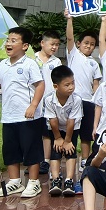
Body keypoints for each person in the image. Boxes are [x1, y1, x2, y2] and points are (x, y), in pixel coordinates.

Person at [0, 27, 45, 199]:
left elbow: (40, 85)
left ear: (25, 46)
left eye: (13, 40)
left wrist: (33, 105)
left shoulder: (29, 64)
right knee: (11, 149)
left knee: (31, 149)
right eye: (8, 40)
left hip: (29, 116)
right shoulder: (3, 64)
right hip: (9, 116)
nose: (8, 44)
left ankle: (34, 182)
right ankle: (14, 181)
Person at [65, 12, 102, 167]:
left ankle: (85, 160)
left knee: (86, 135)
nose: (88, 46)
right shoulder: (73, 55)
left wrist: (97, 99)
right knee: (70, 131)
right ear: (79, 43)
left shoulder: (94, 63)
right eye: (86, 43)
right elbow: (69, 38)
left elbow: (96, 84)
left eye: (92, 44)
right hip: (72, 100)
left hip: (88, 101)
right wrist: (69, 19)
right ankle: (69, 159)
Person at [43, 65, 83, 197]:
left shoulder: (76, 99)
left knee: (70, 151)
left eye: (73, 83)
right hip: (55, 129)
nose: (71, 87)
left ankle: (69, 180)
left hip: (72, 128)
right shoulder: (49, 99)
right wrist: (58, 138)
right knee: (56, 151)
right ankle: (55, 180)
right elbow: (52, 120)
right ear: (56, 86)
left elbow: (71, 121)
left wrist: (67, 140)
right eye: (67, 85)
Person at [34, 30, 62, 175]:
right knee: (34, 132)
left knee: (46, 133)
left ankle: (45, 161)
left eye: (57, 45)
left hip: (50, 103)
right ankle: (33, 161)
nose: (54, 47)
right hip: (34, 102)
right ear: (42, 43)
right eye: (52, 44)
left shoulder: (56, 62)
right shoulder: (32, 59)